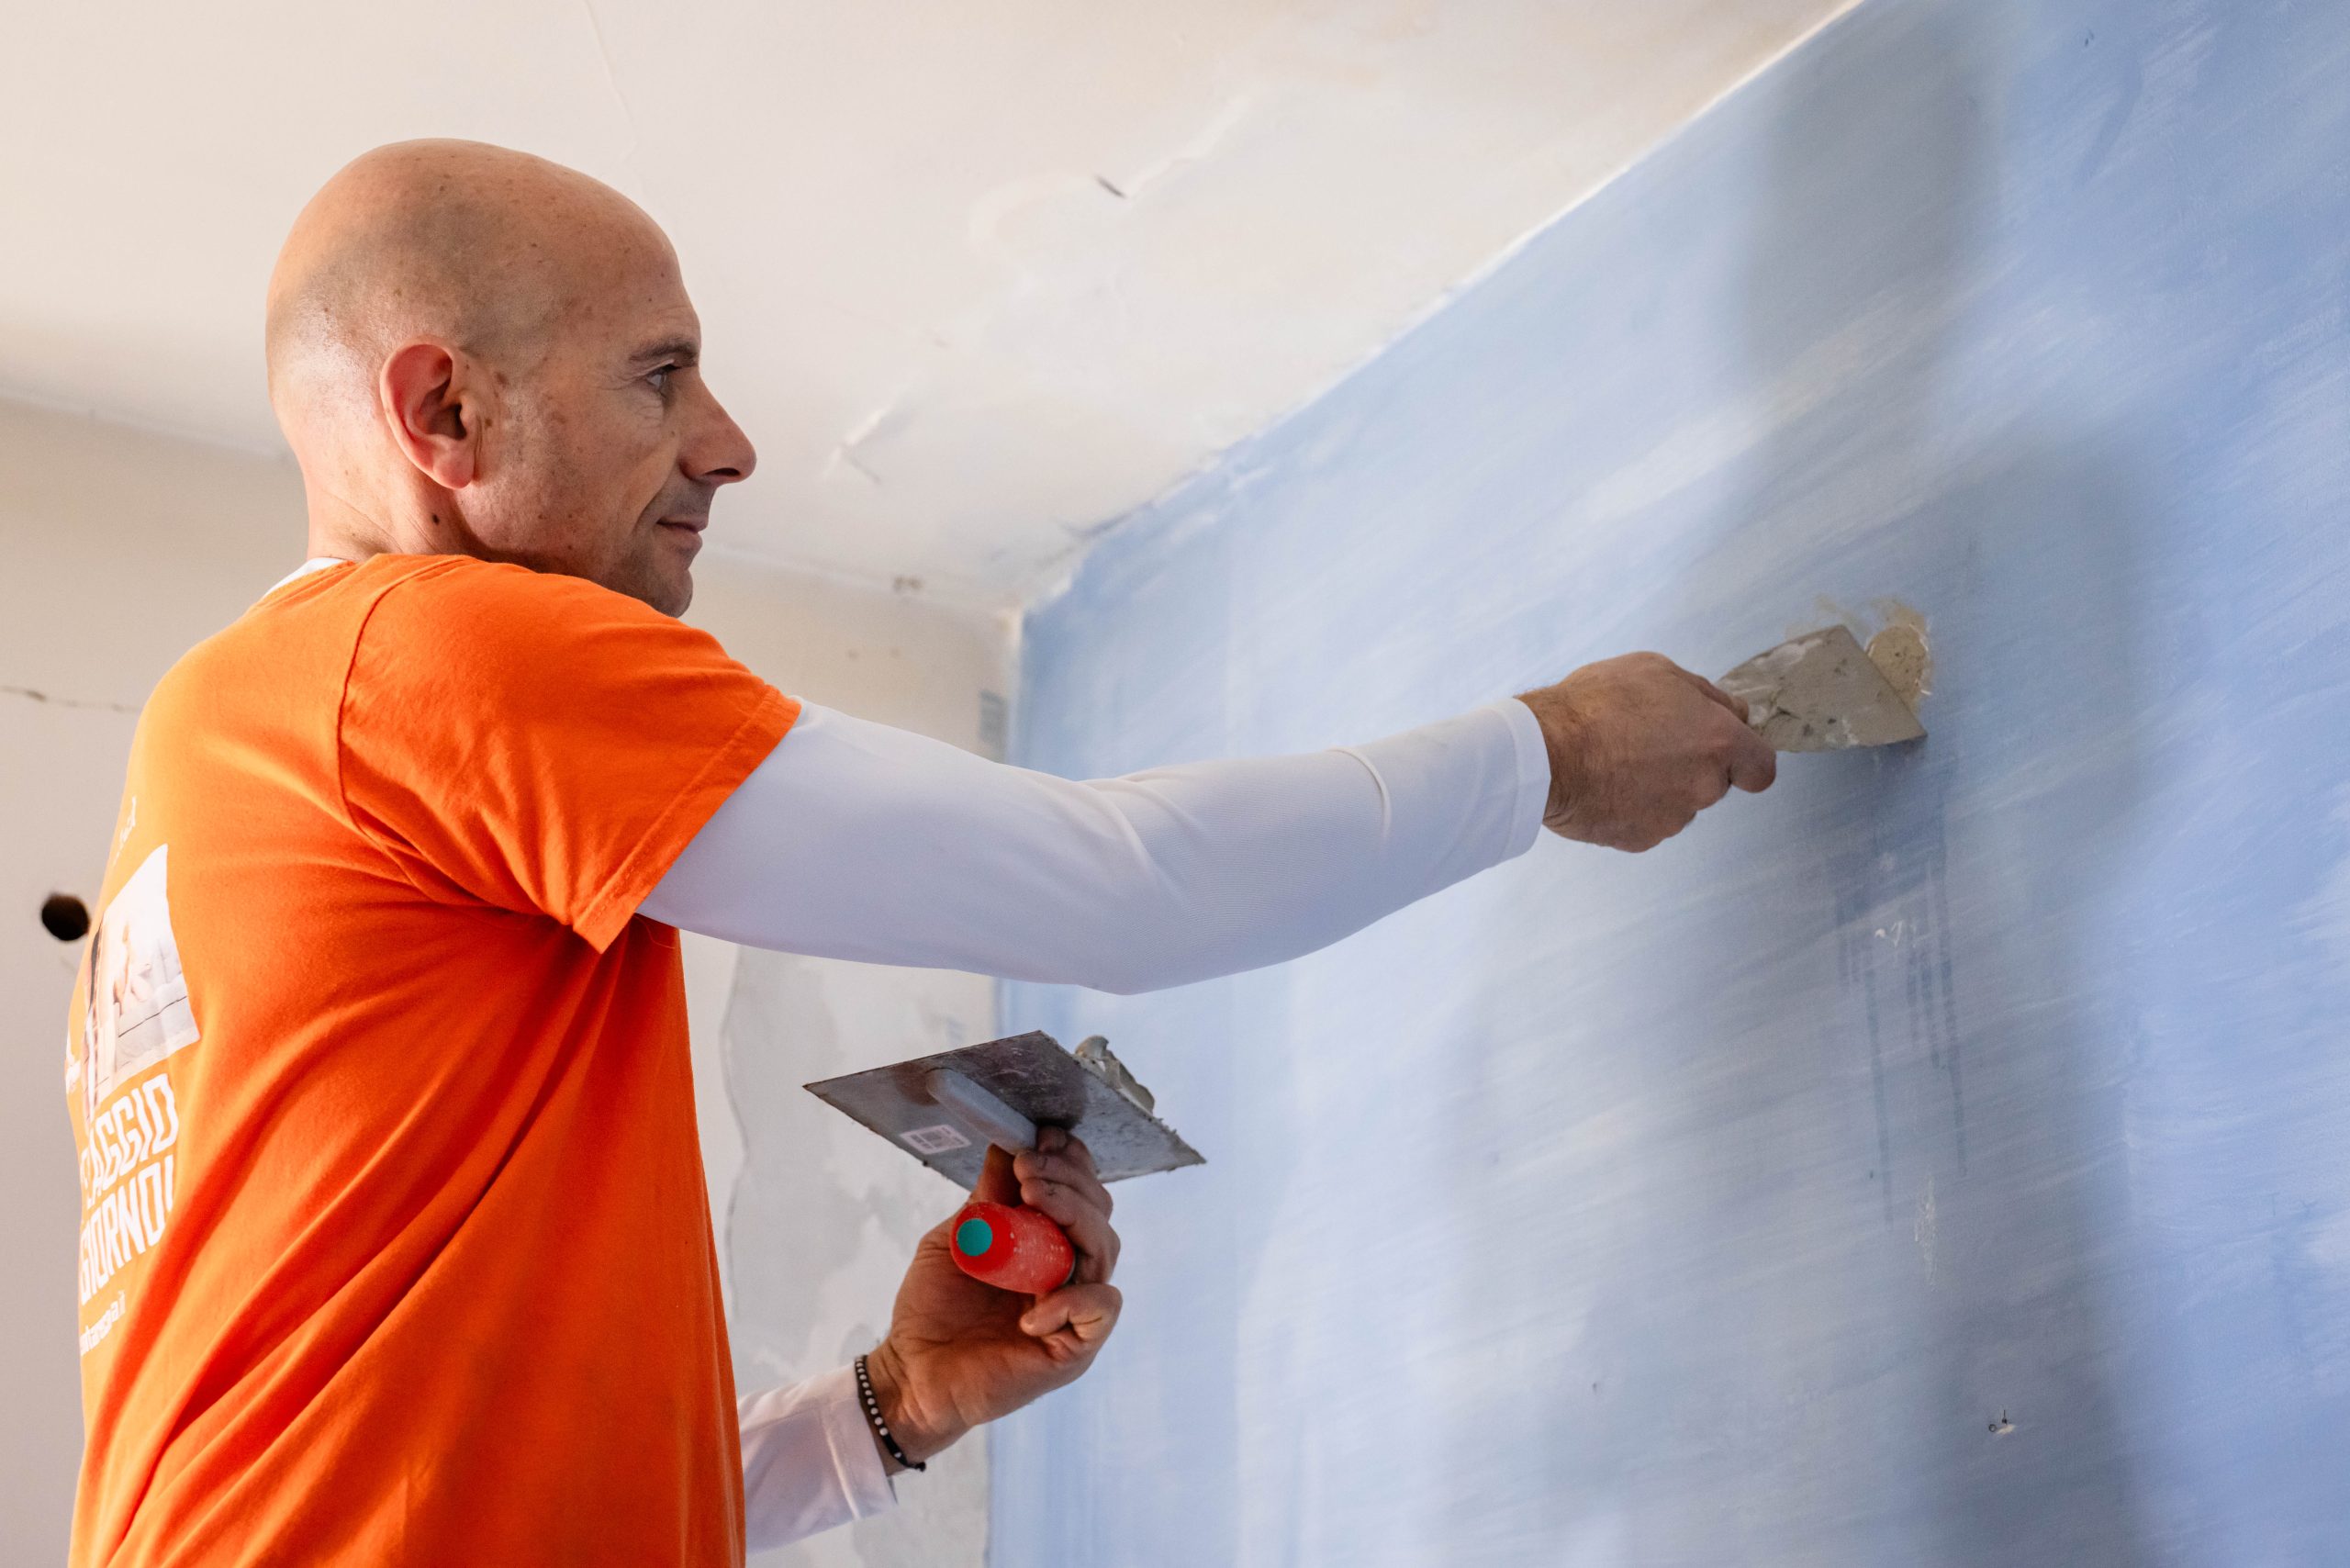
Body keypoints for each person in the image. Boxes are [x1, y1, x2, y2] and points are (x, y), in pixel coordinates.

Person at [62, 140, 1777, 1567]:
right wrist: (1549, 754)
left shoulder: (211, 769)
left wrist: (883, 1415)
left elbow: (415, 1497)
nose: (728, 444)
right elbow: (1122, 888)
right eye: (660, 376)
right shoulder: (429, 649)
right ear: (443, 412)